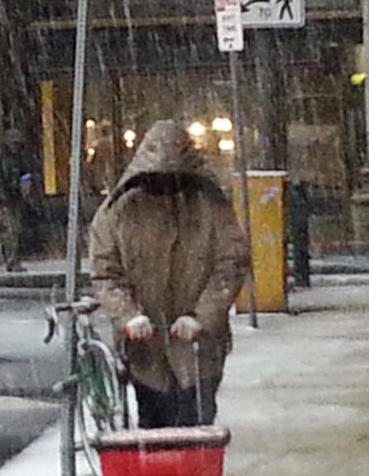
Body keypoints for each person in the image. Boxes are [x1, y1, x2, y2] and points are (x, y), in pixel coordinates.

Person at [89, 120, 250, 429]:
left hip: (198, 349)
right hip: (146, 352)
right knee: (156, 428)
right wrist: (129, 316)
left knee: (196, 427)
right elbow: (105, 273)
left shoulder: (210, 207)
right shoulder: (118, 212)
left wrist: (201, 317)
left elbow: (231, 264)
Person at [0, 129, 39, 271]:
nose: (16, 146)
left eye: (18, 144)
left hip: (14, 199)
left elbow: (25, 174)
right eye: (14, 143)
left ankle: (5, 257)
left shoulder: (18, 158)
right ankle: (3, 257)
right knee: (11, 230)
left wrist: (25, 188)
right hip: (2, 200)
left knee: (15, 231)